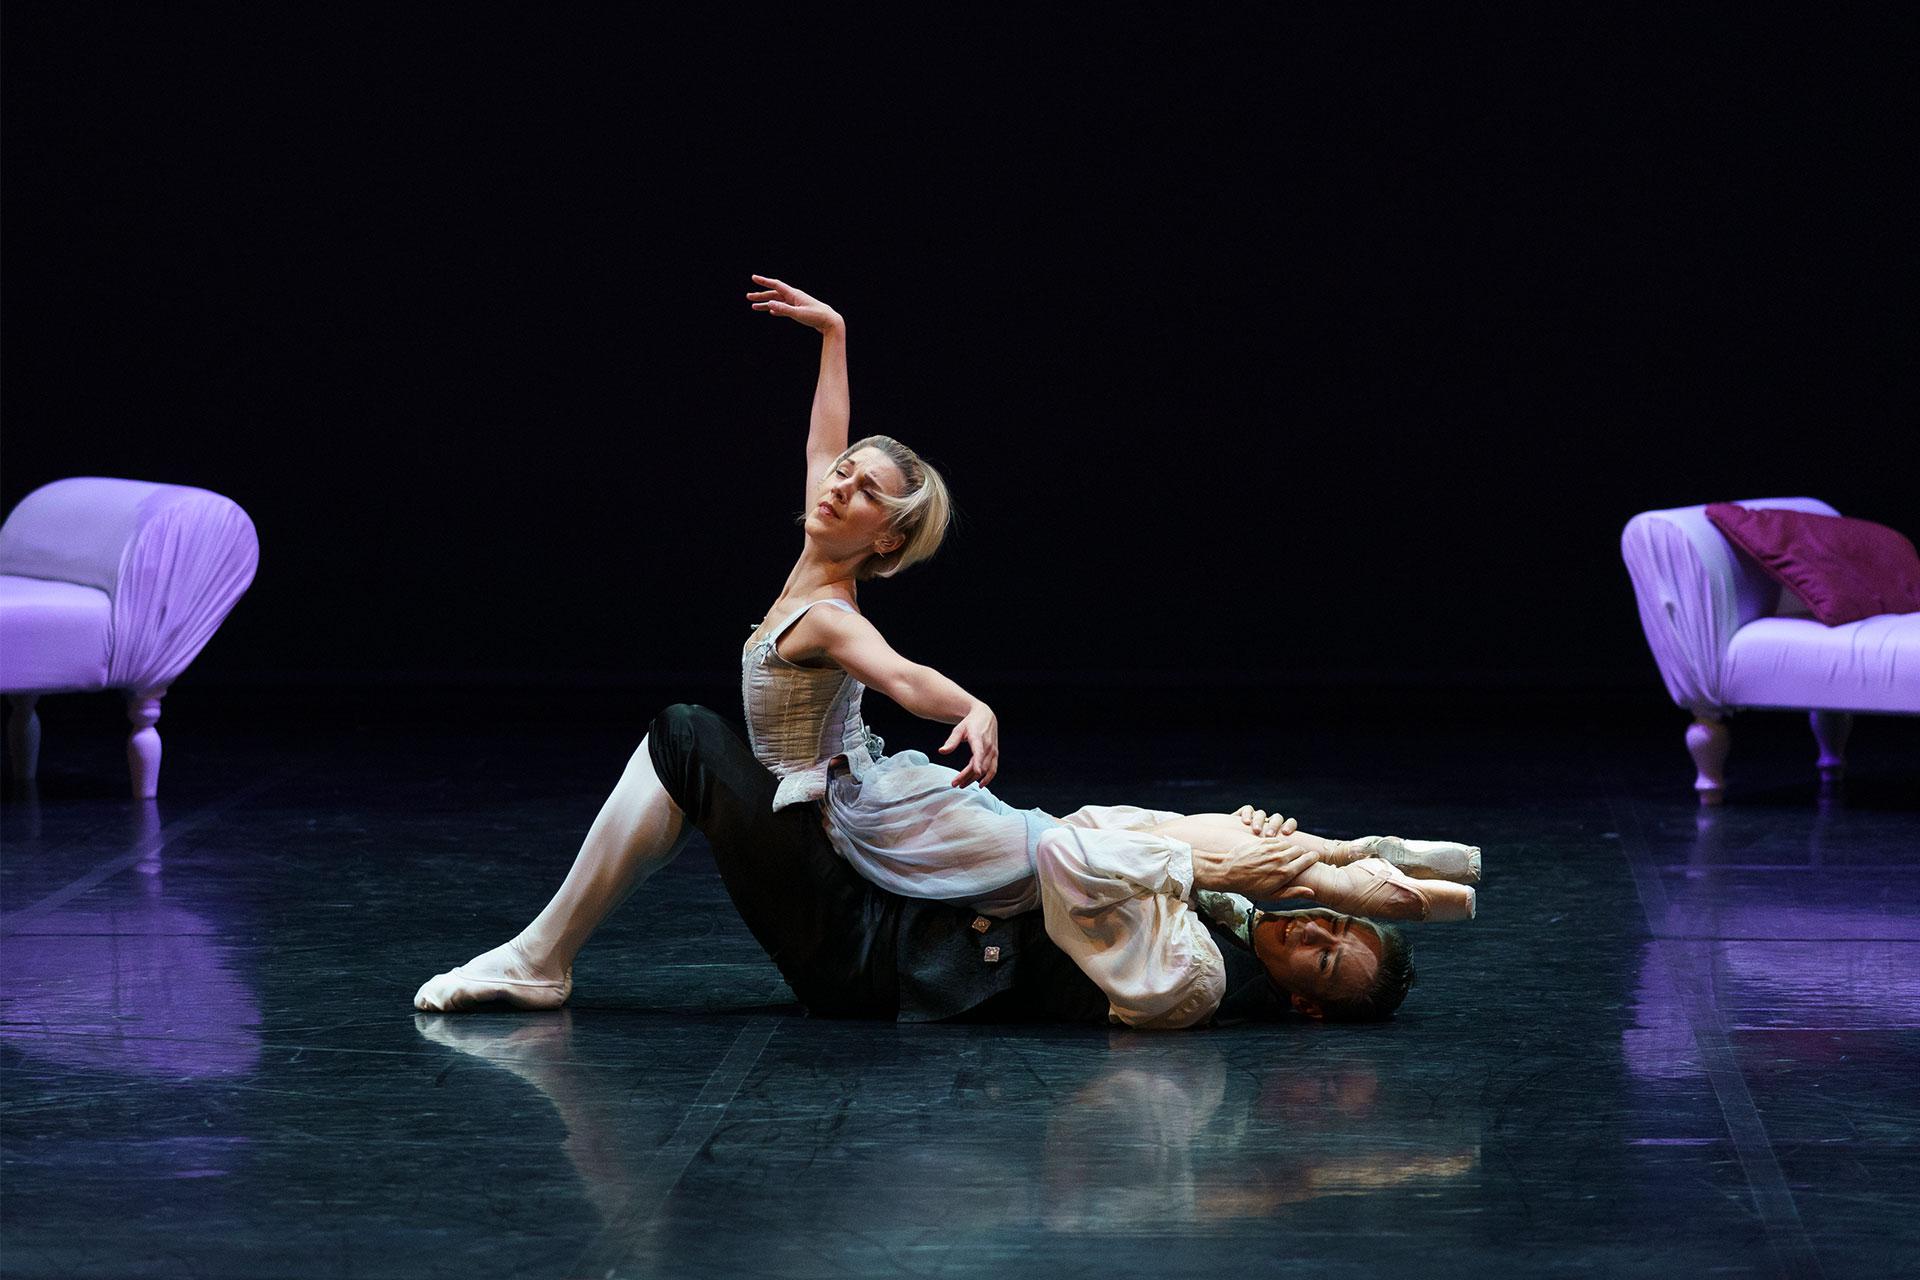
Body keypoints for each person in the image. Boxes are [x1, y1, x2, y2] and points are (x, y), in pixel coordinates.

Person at [413, 274, 1472, 1024]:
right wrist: (831, 332)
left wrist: (970, 704)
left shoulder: (831, 608)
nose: (839, 483)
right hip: (854, 790)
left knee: (1053, 845)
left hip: (870, 801)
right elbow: (826, 438)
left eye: (865, 489)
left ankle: (542, 955)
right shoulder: (820, 541)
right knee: (1060, 838)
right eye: (843, 476)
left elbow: (899, 674)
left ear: (885, 538)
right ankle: (541, 954)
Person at [416, 704, 1418, 1027]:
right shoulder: (1242, 913)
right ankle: (540, 956)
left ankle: (540, 957)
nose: (1313, 929)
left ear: (1306, 1007)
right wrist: (1237, 844)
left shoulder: (1202, 983)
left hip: (875, 953)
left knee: (689, 738)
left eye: (1326, 957)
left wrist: (1215, 859)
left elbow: (1083, 849)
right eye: (1332, 920)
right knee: (760, 730)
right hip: (907, 895)